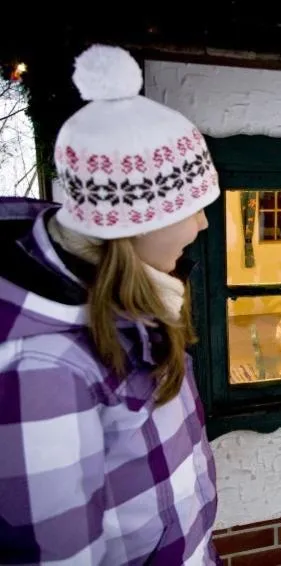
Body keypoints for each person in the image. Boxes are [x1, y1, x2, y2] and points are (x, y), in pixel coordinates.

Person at [0, 44, 221, 564]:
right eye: (191, 210)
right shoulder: (42, 366)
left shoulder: (132, 296)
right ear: (134, 222)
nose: (203, 225)